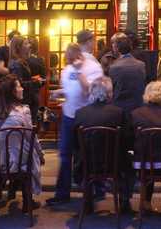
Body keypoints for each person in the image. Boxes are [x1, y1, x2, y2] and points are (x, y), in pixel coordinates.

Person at [46, 31, 103, 206]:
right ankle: (62, 193)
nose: (69, 62)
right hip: (69, 116)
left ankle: (93, 190)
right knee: (64, 155)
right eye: (67, 59)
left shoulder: (93, 67)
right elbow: (71, 90)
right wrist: (60, 92)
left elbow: (88, 91)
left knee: (87, 155)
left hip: (86, 117)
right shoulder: (68, 68)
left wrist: (79, 72)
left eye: (71, 59)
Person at [0, 74, 44, 211]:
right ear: (13, 92)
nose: (22, 89)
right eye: (19, 86)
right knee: (30, 151)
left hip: (0, 162)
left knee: (17, 148)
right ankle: (28, 201)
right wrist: (41, 154)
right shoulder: (24, 111)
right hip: (20, 161)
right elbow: (31, 137)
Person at [73, 77, 125, 212]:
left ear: (91, 92)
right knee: (128, 162)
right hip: (113, 164)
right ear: (108, 93)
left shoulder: (80, 113)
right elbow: (126, 139)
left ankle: (87, 201)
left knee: (79, 155)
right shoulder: (118, 113)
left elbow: (75, 143)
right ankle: (124, 202)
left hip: (87, 164)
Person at [130, 81, 161, 213]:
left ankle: (146, 202)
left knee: (147, 160)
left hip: (143, 163)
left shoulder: (136, 114)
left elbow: (130, 138)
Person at [109, 33, 146, 212]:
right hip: (138, 116)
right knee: (138, 155)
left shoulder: (114, 67)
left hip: (120, 117)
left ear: (116, 48)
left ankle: (124, 196)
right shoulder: (141, 65)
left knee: (121, 157)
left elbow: (114, 93)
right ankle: (140, 195)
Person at [8, 36, 33, 109]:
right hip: (22, 103)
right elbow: (18, 84)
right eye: (26, 44)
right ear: (19, 47)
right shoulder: (16, 64)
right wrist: (36, 83)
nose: (30, 45)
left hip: (25, 101)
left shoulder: (21, 62)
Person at [26, 36, 46, 123]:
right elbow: (43, 79)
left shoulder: (23, 60)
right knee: (33, 120)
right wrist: (37, 81)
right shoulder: (40, 60)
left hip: (24, 95)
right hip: (35, 93)